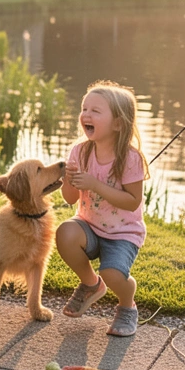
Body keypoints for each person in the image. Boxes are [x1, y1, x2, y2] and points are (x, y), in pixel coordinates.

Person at [56, 81, 149, 337]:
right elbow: (70, 199)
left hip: (122, 233)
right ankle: (90, 284)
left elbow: (132, 201)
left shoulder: (131, 159)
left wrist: (95, 184)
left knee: (113, 273)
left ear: (118, 123)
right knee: (65, 232)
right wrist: (69, 180)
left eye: (96, 111)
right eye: (85, 108)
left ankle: (127, 305)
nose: (86, 114)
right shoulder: (80, 152)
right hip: (90, 225)